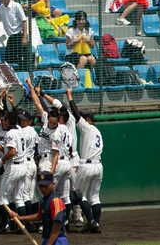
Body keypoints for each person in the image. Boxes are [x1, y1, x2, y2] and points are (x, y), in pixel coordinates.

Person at [68, 98, 103, 234]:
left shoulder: (87, 128)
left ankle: (91, 222)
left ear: (88, 119)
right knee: (95, 197)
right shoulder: (97, 132)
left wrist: (70, 98)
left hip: (87, 165)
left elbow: (76, 115)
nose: (80, 120)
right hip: (99, 166)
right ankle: (97, 223)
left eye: (83, 118)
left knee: (79, 195)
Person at [12, 171, 68, 244]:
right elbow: (39, 216)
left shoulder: (56, 201)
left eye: (46, 186)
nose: (43, 189)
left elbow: (56, 227)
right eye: (41, 186)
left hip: (58, 240)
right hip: (48, 239)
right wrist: (19, 218)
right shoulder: (43, 200)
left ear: (52, 184)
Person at [0, 0, 29, 70]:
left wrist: (24, 37)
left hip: (19, 36)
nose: (0, 0)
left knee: (22, 61)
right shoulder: (1, 8)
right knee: (8, 60)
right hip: (11, 38)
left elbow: (24, 21)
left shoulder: (17, 6)